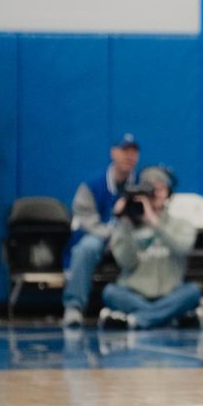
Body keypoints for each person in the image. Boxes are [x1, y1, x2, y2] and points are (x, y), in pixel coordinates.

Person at [98, 166, 203, 330]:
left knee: (193, 292)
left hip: (170, 293)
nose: (156, 194)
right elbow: (127, 263)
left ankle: (136, 320)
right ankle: (168, 317)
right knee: (110, 293)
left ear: (169, 193)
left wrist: (155, 223)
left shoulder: (182, 224)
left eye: (160, 188)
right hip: (134, 293)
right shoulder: (127, 226)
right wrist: (124, 222)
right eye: (151, 189)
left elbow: (182, 248)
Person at [62, 135, 140, 327]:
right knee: (86, 248)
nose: (129, 156)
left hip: (131, 237)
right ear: (113, 152)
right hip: (99, 236)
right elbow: (86, 219)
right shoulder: (92, 184)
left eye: (133, 152)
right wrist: (111, 234)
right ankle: (74, 306)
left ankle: (141, 304)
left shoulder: (141, 185)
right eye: (124, 151)